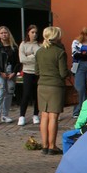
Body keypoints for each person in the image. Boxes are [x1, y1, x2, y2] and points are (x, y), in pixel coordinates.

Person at [36, 26, 69, 155]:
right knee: (54, 116)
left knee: (44, 115)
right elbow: (63, 73)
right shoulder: (60, 52)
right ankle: (52, 146)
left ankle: (44, 145)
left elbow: (37, 71)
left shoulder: (39, 51)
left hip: (42, 85)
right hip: (55, 86)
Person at [0, 26, 20, 125]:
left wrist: (14, 72)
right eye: (1, 33)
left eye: (5, 33)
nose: (3, 35)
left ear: (9, 34)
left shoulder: (14, 46)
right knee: (0, 93)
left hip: (11, 72)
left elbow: (18, 61)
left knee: (9, 93)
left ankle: (5, 115)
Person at [17, 25, 42, 126]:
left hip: (37, 72)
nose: (34, 34)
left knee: (37, 95)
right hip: (27, 72)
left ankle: (35, 115)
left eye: (36, 32)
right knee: (26, 94)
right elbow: (22, 59)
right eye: (32, 32)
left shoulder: (40, 45)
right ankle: (22, 116)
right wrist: (33, 56)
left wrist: (29, 56)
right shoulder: (23, 44)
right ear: (28, 33)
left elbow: (40, 58)